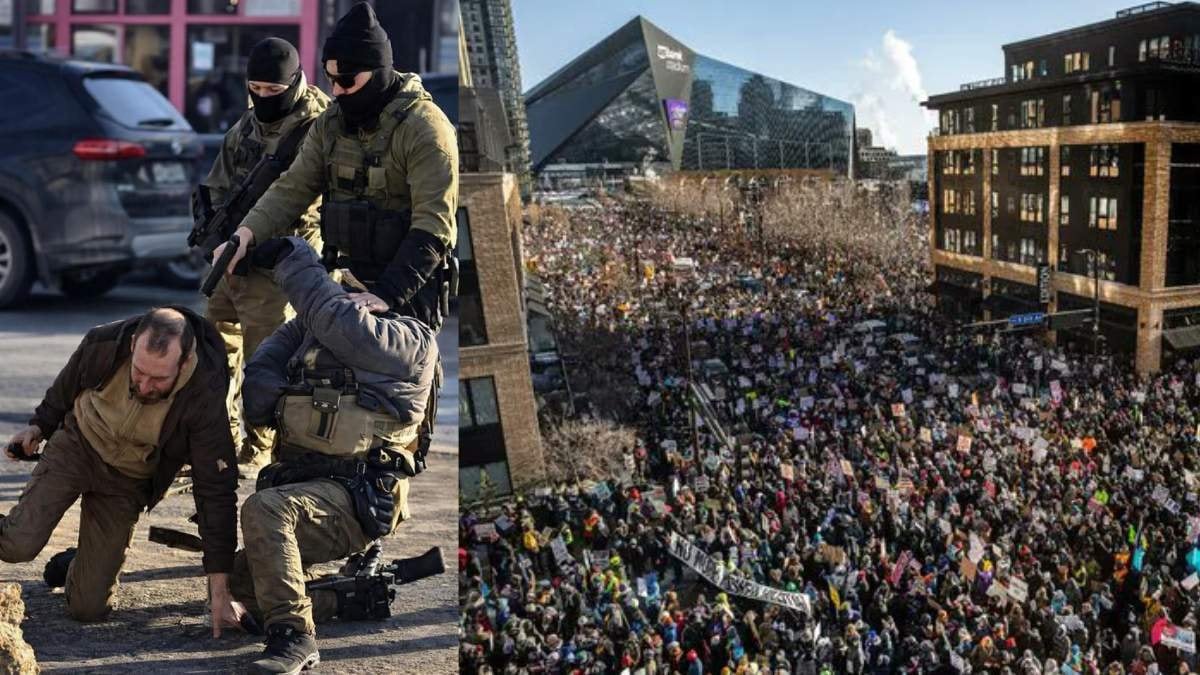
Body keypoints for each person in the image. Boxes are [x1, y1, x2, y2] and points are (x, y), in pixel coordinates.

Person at [229, 236, 438, 674]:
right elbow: (258, 385)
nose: (341, 292)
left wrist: (293, 257)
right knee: (246, 589)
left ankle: (294, 640)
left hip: (358, 497)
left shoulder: (410, 343)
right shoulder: (312, 329)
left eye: (349, 286)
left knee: (266, 511)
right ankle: (348, 596)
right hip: (305, 484)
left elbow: (340, 323)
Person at [3, 307, 242, 633]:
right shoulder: (103, 342)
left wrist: (220, 592)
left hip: (128, 479)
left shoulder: (205, 393)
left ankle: (80, 561)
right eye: (139, 372)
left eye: (159, 379)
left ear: (184, 362)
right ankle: (78, 551)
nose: (144, 387)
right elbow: (67, 385)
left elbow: (216, 491)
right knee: (17, 544)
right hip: (77, 446)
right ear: (133, 345)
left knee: (89, 610)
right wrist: (38, 427)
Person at [196, 37, 331, 478]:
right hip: (231, 261)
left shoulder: (319, 124)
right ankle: (220, 441)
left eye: (273, 91)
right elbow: (219, 180)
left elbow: (302, 198)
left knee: (267, 365)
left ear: (293, 82)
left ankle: (261, 449)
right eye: (256, 88)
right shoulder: (247, 124)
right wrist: (213, 230)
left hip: (278, 266)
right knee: (211, 353)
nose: (264, 98)